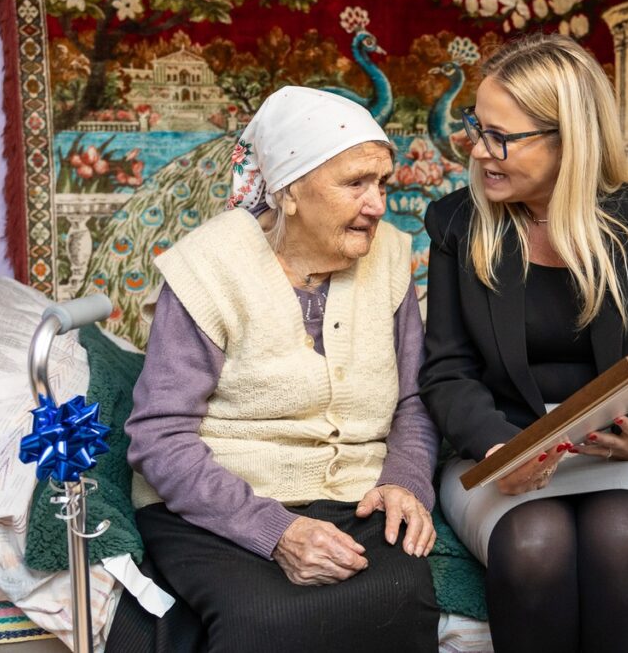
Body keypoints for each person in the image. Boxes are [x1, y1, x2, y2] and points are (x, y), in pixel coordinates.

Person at [418, 34, 628, 653]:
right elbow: (447, 369)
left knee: (624, 535)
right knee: (534, 543)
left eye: (501, 137)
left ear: (570, 137)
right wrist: (498, 449)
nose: (481, 152)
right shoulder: (458, 223)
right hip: (504, 447)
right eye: (476, 128)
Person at [121, 86, 440, 652]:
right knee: (263, 619)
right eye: (354, 184)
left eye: (382, 183)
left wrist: (404, 482)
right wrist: (278, 533)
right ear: (290, 191)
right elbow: (159, 436)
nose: (377, 205)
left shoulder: (390, 255)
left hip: (353, 496)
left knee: (400, 592)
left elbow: (413, 401)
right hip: (215, 507)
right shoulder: (208, 268)